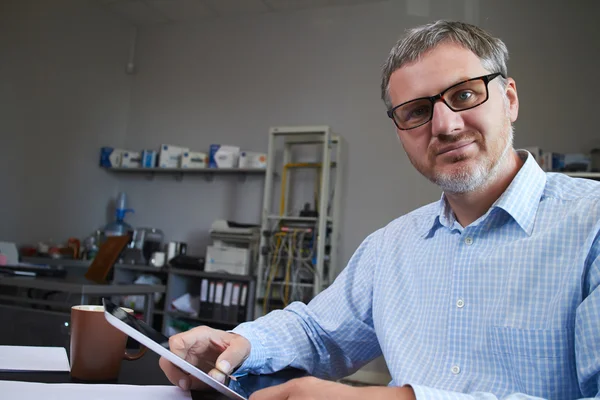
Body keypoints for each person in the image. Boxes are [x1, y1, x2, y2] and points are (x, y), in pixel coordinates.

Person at [160, 20, 600, 399]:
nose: (445, 126)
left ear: (509, 99)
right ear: (400, 130)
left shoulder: (590, 226)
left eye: (465, 95)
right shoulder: (391, 246)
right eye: (417, 111)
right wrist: (238, 344)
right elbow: (318, 331)